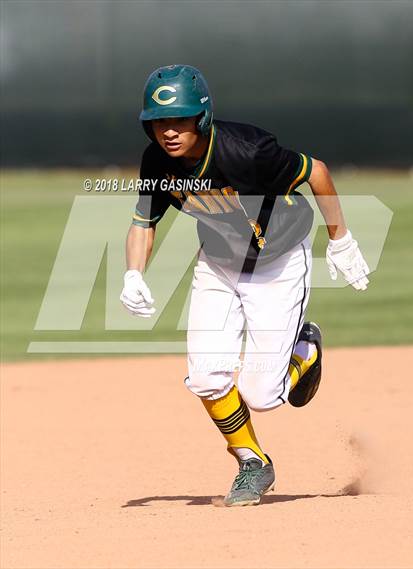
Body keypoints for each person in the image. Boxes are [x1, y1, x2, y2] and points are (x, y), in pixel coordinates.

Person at [120, 64, 369, 507]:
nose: (168, 132)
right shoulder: (157, 161)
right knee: (205, 377)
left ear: (201, 118)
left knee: (263, 395)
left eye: (179, 120)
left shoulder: (247, 152)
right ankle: (252, 462)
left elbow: (317, 172)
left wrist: (340, 239)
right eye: (158, 122)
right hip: (218, 263)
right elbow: (144, 221)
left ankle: (305, 350)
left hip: (279, 263)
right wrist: (133, 273)